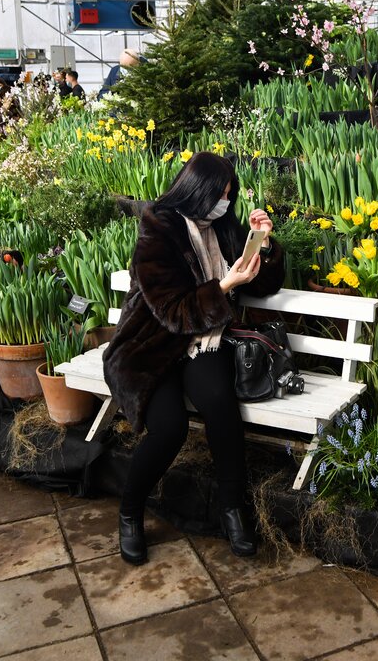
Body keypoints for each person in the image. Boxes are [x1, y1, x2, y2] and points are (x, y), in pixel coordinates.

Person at [104, 152, 284, 565]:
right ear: (196, 191)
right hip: (151, 346)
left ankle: (232, 509)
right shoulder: (159, 228)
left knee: (222, 408)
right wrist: (222, 286)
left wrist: (264, 243)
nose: (225, 202)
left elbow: (264, 283)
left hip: (205, 340)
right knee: (170, 429)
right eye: (219, 194)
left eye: (229, 195)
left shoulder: (221, 224)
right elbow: (171, 310)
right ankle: (130, 512)